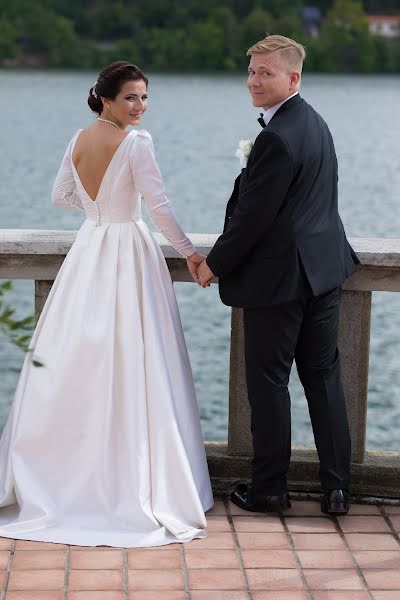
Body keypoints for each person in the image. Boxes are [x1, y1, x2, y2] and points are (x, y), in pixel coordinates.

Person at [0, 61, 213, 546]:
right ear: (106, 99)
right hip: (128, 253)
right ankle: (128, 479)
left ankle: (65, 479)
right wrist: (192, 254)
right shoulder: (137, 143)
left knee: (79, 361)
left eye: (144, 97)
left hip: (89, 251)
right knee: (138, 358)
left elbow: (60, 196)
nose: (140, 106)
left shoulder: (78, 139)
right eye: (131, 98)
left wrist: (98, 211)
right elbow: (159, 208)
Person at [196, 35, 358, 515]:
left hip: (280, 282)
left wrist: (213, 262)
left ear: (293, 77)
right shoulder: (317, 123)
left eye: (265, 72)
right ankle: (337, 489)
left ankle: (269, 490)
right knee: (323, 377)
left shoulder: (275, 138)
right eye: (251, 71)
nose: (254, 81)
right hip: (324, 273)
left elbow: (253, 218)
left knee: (268, 383)